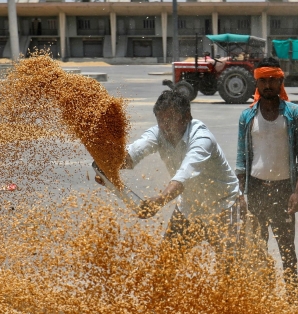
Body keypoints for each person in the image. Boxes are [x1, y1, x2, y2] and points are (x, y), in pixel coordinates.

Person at [102, 89, 241, 251]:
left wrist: (160, 200)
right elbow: (131, 154)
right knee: (166, 259)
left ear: (187, 116)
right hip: (190, 206)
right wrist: (107, 164)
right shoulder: (157, 133)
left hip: (224, 205)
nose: (165, 126)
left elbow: (184, 176)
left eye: (171, 119)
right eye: (160, 120)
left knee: (230, 268)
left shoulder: (202, 139)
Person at [235, 57, 298, 297]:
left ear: (281, 81)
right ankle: (263, 296)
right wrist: (241, 193)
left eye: (272, 80)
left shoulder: (294, 114)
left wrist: (297, 192)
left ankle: (292, 297)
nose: (268, 85)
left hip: (283, 190)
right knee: (257, 248)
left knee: (287, 248)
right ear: (256, 82)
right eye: (263, 80)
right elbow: (241, 159)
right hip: (256, 189)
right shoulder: (247, 117)